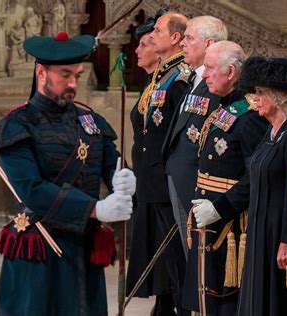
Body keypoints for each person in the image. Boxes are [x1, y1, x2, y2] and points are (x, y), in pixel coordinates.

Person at [0, 32, 136, 315]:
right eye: (65, 75)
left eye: (78, 76)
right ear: (41, 72)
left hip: (84, 246)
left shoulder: (91, 121)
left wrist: (123, 175)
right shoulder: (17, 125)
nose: (72, 84)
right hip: (41, 248)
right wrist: (96, 208)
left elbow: (111, 163)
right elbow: (32, 189)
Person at [183, 41, 269, 315]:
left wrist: (220, 208)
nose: (204, 74)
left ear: (230, 72)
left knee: (225, 300)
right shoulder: (224, 107)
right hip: (207, 219)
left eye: (210, 68)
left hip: (231, 225)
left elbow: (256, 175)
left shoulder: (251, 115)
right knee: (205, 298)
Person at [234, 56, 287, 316]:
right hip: (259, 225)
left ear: (277, 97)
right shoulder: (271, 130)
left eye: (260, 93)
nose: (255, 99)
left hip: (278, 229)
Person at [131, 11, 190, 315]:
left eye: (157, 31)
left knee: (177, 263)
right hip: (151, 183)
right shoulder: (162, 76)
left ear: (176, 38)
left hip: (166, 184)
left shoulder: (179, 78)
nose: (151, 37)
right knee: (165, 264)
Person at [163, 15, 227, 258]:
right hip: (179, 176)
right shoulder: (193, 79)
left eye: (189, 38)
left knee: (198, 257)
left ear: (209, 43)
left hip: (197, 183)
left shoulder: (216, 84)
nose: (182, 44)